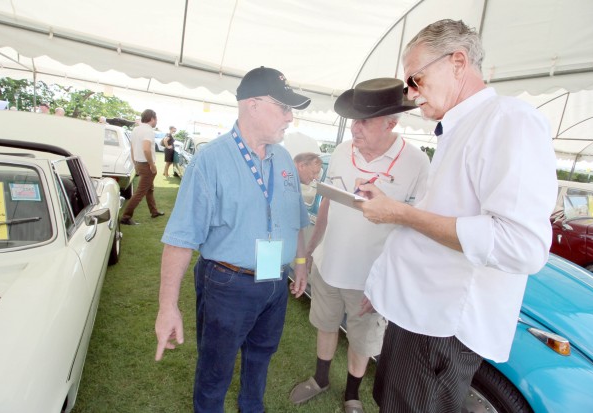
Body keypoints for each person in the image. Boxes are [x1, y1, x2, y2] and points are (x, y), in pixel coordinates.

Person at [355, 19, 557, 413]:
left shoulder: (509, 120)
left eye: (415, 79)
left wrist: (401, 213)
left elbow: (522, 245)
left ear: (458, 62)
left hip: (440, 330)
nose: (411, 94)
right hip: (419, 318)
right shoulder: (462, 129)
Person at [155, 66, 312, 413]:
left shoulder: (283, 157)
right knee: (215, 370)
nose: (290, 117)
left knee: (260, 358)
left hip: (275, 281)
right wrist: (168, 306)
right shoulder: (210, 161)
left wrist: (300, 262)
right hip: (227, 283)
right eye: (283, 108)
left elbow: (296, 220)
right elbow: (181, 239)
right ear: (252, 105)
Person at [289, 78, 430, 413]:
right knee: (325, 326)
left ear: (392, 123)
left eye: (365, 121)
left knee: (362, 341)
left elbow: (414, 230)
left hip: (369, 279)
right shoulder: (340, 151)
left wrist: (385, 282)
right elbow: (326, 204)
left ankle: (352, 395)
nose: (356, 128)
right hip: (328, 266)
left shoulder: (416, 163)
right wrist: (309, 255)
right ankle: (321, 378)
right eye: (355, 119)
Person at [120, 109, 164, 225]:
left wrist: (135, 162)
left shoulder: (136, 129)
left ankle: (154, 211)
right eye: (156, 119)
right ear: (152, 119)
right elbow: (146, 149)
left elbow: (133, 147)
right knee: (140, 193)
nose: (157, 121)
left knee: (149, 189)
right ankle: (126, 217)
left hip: (140, 163)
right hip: (146, 165)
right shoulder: (148, 131)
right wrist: (152, 165)